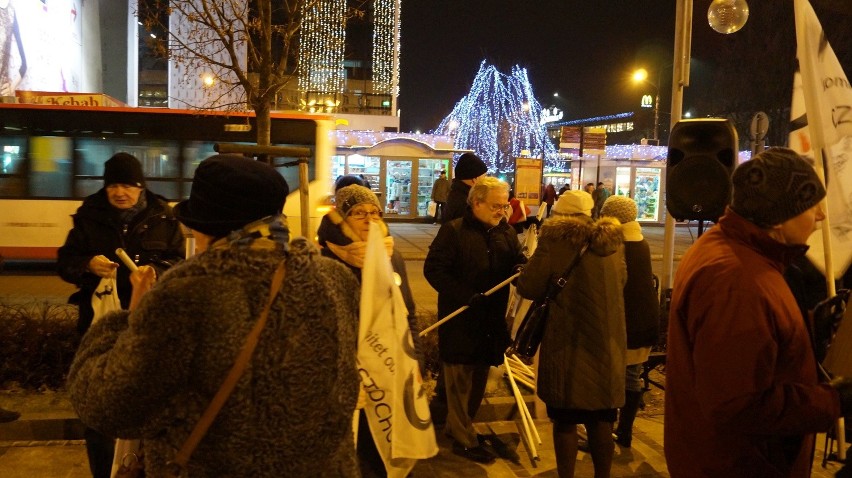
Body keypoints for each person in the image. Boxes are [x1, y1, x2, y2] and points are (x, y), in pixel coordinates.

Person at [67, 154, 362, 477]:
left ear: (206, 227)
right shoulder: (334, 278)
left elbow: (110, 406)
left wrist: (125, 320)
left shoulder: (187, 293)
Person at [665, 147, 852, 477]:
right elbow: (737, 403)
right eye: (812, 205)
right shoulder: (736, 279)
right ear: (779, 215)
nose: (821, 215)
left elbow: (748, 346)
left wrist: (811, 327)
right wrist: (833, 401)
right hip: (740, 465)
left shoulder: (734, 253)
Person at [57, 152, 184, 478]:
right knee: (99, 405)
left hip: (148, 325)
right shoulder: (89, 216)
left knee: (146, 402)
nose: (120, 192)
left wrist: (154, 270)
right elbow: (65, 261)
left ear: (141, 187)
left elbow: (179, 263)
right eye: (114, 185)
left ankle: (139, 467)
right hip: (99, 327)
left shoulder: (163, 218)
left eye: (128, 185)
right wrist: (88, 264)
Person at [516, 190, 626, 478]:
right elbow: (622, 281)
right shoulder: (614, 241)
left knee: (565, 418)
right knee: (602, 417)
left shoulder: (555, 240)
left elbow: (529, 286)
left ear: (560, 214)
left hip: (568, 343)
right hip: (607, 344)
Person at [316, 183, 423, 477]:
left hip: (392, 372)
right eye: (358, 213)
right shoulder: (326, 260)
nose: (369, 220)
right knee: (355, 455)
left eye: (374, 213)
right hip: (351, 378)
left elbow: (408, 314)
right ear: (342, 219)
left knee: (392, 452)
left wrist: (417, 363)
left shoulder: (392, 258)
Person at [424, 176, 526, 464]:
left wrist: (521, 265)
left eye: (505, 205)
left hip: (490, 322)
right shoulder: (453, 231)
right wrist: (465, 294)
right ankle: (462, 438)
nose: (502, 211)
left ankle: (464, 427)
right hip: (461, 319)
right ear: (476, 203)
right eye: (496, 205)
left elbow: (516, 257)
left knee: (479, 377)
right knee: (458, 382)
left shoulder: (505, 232)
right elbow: (434, 270)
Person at [600, 195, 659, 448]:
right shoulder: (640, 241)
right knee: (632, 376)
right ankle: (624, 431)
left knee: (619, 379)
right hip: (645, 319)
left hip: (626, 322)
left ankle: (614, 432)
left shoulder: (617, 245)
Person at [444, 152, 487, 222]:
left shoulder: (456, 194)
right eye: (484, 176)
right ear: (474, 179)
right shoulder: (466, 203)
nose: (486, 179)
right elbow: (473, 231)